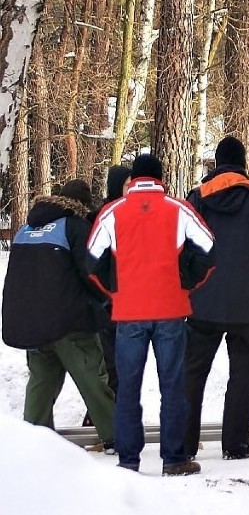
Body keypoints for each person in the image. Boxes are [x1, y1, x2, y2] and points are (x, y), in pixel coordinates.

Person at [87, 154, 215, 476]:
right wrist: (188, 282)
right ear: (161, 179)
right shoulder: (178, 209)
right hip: (170, 309)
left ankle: (128, 460)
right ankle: (174, 458)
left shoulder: (113, 212)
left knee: (128, 388)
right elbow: (210, 248)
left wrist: (114, 291)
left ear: (133, 179)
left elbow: (91, 260)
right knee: (172, 386)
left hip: (129, 313)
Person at [183, 137, 249, 461]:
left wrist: (187, 289)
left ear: (216, 164)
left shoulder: (196, 200)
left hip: (203, 304)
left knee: (191, 375)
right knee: (243, 376)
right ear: (244, 164)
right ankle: (236, 445)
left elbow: (181, 248)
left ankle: (184, 445)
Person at [2, 180, 115, 451]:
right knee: (92, 380)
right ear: (83, 205)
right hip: (70, 321)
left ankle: (32, 438)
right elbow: (92, 272)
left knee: (41, 382)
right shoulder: (76, 227)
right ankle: (115, 436)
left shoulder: (26, 229)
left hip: (33, 323)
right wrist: (106, 300)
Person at [82, 165, 132, 429]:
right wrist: (106, 294)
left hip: (124, 301)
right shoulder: (101, 216)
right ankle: (102, 420)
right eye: (127, 185)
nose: (131, 190)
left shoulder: (130, 212)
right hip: (106, 301)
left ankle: (110, 419)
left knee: (121, 366)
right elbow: (91, 263)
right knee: (111, 365)